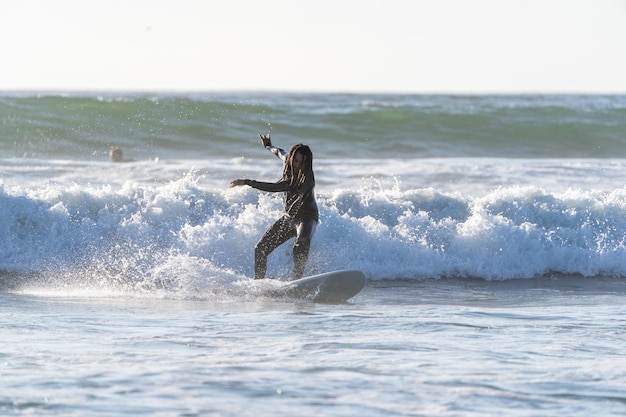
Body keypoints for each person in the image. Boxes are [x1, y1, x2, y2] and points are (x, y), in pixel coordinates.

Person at [230, 134, 319, 280]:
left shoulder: (306, 180)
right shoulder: (288, 163)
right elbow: (280, 152)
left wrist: (247, 181)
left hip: (307, 218)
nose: (297, 165)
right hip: (290, 217)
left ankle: (297, 280)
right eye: (295, 161)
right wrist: (268, 146)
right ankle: (259, 282)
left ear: (306, 163)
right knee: (260, 249)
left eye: (301, 163)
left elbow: (274, 187)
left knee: (301, 243)